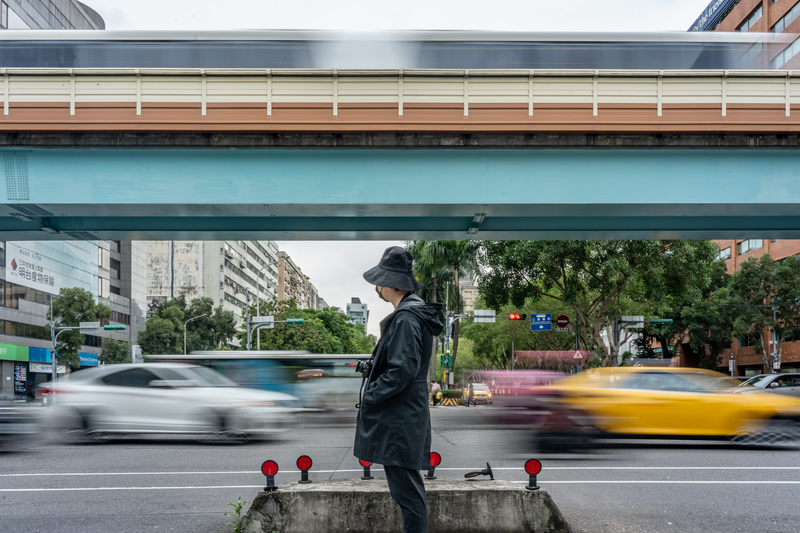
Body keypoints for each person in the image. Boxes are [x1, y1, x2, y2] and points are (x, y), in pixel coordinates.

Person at [354, 246, 443, 533]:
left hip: (399, 419)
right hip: (405, 415)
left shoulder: (406, 317)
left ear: (389, 283)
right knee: (407, 492)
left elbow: (401, 370)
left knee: (407, 494)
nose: (377, 287)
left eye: (379, 281)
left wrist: (371, 393)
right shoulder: (412, 313)